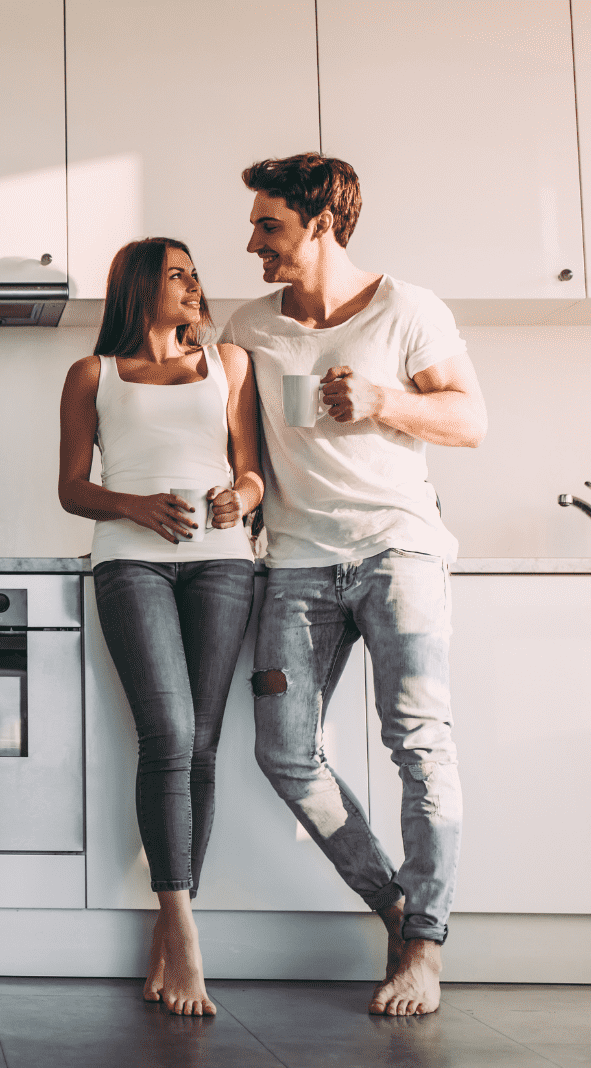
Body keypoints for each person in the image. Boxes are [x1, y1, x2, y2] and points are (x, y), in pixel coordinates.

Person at [221, 153, 486, 1016]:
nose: (253, 241)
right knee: (284, 750)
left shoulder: (410, 308)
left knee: (418, 741)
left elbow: (469, 420)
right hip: (295, 561)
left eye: (270, 225)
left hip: (398, 551)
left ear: (322, 223)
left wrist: (384, 402)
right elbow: (243, 452)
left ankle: (423, 950)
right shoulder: (250, 325)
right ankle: (402, 910)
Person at [59, 237, 264, 1016]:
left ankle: (170, 924)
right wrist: (134, 505)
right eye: (178, 273)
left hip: (223, 562)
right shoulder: (94, 375)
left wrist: (237, 499)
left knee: (202, 746)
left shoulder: (229, 365)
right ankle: (182, 930)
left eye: (194, 274)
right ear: (141, 286)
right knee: (169, 736)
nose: (194, 284)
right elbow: (73, 487)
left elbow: (252, 469)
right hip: (129, 564)